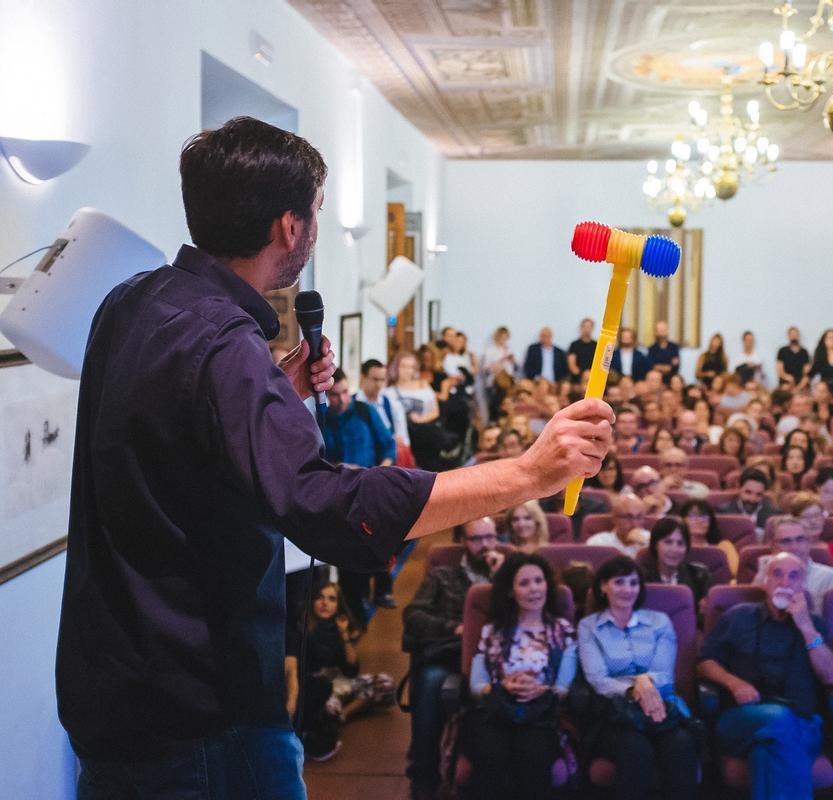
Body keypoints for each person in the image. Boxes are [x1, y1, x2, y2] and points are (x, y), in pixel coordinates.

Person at [57, 116, 614, 800]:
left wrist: (273, 401)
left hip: (110, 680)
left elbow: (175, 450)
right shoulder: (229, 347)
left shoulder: (131, 301)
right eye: (316, 212)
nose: (315, 228)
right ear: (290, 227)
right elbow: (326, 509)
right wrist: (526, 474)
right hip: (199, 704)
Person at [698, 553, 833, 800]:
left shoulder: (814, 623)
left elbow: (830, 677)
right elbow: (705, 662)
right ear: (765, 582)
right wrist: (733, 682)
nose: (785, 582)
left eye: (794, 576)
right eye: (777, 574)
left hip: (802, 721)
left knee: (765, 752)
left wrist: (805, 627)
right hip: (742, 719)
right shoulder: (739, 616)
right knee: (779, 719)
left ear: (802, 585)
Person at [577, 557, 700, 800]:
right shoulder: (588, 626)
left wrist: (646, 683)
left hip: (662, 706)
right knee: (636, 751)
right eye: (619, 582)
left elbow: (664, 673)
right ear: (603, 586)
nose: (627, 589)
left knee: (682, 745)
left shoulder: (659, 622)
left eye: (633, 583)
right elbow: (597, 678)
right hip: (616, 712)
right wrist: (636, 689)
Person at [459, 553, 577, 800]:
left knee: (532, 756)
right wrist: (502, 686)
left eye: (538, 581)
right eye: (524, 583)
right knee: (490, 755)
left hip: (541, 714)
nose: (534, 589)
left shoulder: (563, 631)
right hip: (495, 711)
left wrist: (540, 690)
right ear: (511, 591)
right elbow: (476, 685)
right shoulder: (493, 630)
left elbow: (564, 686)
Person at [403, 518, 506, 793]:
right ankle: (423, 773)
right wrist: (456, 628)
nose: (485, 546)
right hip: (451, 654)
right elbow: (413, 616)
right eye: (476, 539)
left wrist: (501, 579)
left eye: (490, 538)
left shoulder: (510, 575)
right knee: (430, 681)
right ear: (462, 541)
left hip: (499, 660)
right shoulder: (443, 576)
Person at [284, 582, 395, 759]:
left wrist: (344, 635)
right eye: (320, 598)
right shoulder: (302, 629)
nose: (325, 603)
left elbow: (351, 670)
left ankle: (345, 714)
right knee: (327, 706)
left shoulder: (339, 628)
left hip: (339, 680)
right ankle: (335, 714)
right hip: (317, 684)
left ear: (338, 605)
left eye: (331, 599)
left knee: (385, 683)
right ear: (312, 602)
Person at [323, 368, 399, 619]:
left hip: (372, 489)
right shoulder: (320, 419)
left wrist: (381, 473)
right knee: (349, 556)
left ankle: (382, 590)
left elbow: (388, 446)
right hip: (340, 495)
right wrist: (338, 468)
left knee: (379, 545)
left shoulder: (365, 412)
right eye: (335, 395)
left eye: (345, 392)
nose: (342, 399)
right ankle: (354, 606)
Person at [752, 501, 833, 611]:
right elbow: (750, 617)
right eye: (785, 541)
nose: (794, 547)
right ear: (772, 546)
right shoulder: (763, 575)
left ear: (809, 543)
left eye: (800, 539)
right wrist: (761, 578)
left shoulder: (830, 578)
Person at [640, 516, 712, 609]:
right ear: (655, 545)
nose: (674, 549)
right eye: (668, 542)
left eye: (680, 543)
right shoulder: (641, 577)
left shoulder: (699, 577)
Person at [358, 357, 411, 464]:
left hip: (389, 458)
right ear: (363, 378)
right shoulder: (352, 404)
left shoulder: (391, 403)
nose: (378, 385)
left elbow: (404, 439)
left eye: (382, 380)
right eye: (375, 379)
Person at [680, 498, 739, 577]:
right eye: (693, 516)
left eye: (704, 517)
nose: (699, 521)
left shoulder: (723, 547)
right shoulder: (676, 546)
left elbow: (736, 573)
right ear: (682, 520)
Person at [717, 468, 780, 540]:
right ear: (738, 488)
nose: (752, 499)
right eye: (748, 492)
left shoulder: (774, 514)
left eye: (758, 494)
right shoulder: (724, 513)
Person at [588, 493, 652, 557]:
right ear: (614, 518)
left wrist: (646, 544)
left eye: (639, 517)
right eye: (628, 517)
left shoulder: (651, 540)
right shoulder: (599, 542)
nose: (634, 523)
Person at [567, 317, 597, 384]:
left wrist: (591, 374)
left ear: (592, 328)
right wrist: (583, 374)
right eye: (585, 326)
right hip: (578, 378)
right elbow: (572, 365)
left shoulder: (597, 345)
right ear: (581, 328)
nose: (587, 329)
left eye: (589, 327)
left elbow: (599, 364)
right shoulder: (574, 345)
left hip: (593, 377)